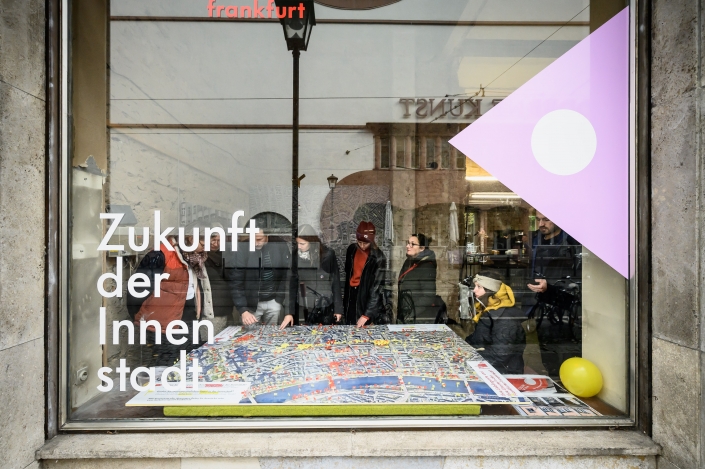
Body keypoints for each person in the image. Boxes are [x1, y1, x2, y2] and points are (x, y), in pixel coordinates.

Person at [129, 225, 214, 366]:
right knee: (166, 365)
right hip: (163, 324)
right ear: (190, 238)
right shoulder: (161, 254)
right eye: (203, 244)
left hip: (189, 318)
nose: (206, 248)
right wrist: (140, 317)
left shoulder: (195, 258)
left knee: (190, 362)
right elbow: (137, 290)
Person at [525, 210, 582, 377]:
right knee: (545, 352)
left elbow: (578, 280)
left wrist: (550, 287)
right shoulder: (535, 240)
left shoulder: (571, 243)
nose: (541, 224)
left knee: (563, 354)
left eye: (546, 219)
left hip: (562, 309)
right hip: (538, 305)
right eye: (538, 219)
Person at [279, 224, 343, 328]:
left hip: (325, 303)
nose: (299, 246)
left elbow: (335, 281)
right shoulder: (295, 255)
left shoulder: (327, 255)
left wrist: (338, 309)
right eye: (297, 243)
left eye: (302, 244)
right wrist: (289, 312)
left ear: (312, 242)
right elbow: (291, 284)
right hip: (304, 303)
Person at [465, 271, 526, 374]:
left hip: (503, 373)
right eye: (475, 286)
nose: (474, 290)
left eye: (479, 287)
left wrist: (469, 357)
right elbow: (479, 338)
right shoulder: (489, 309)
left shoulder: (505, 318)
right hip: (489, 365)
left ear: (490, 290)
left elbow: (500, 355)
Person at [229, 228, 290, 326]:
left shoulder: (279, 245)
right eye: (252, 239)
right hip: (250, 305)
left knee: (272, 333)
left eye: (259, 239)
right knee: (249, 334)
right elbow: (236, 280)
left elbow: (286, 274)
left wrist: (279, 299)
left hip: (273, 301)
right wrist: (243, 309)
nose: (255, 243)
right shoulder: (243, 247)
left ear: (267, 235)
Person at [343, 221, 390, 327]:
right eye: (359, 242)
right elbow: (348, 273)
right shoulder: (352, 250)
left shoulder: (378, 257)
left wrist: (367, 314)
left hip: (366, 296)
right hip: (351, 294)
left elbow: (377, 288)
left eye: (366, 243)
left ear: (372, 241)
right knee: (349, 326)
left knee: (363, 329)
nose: (362, 246)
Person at [397, 233, 437, 323]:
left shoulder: (426, 267)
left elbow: (429, 296)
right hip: (406, 314)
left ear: (422, 248)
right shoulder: (408, 262)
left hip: (418, 318)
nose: (408, 246)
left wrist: (411, 312)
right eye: (408, 243)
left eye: (413, 244)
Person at [204, 223, 235, 331]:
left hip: (227, 307)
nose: (216, 244)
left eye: (219, 240)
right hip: (211, 310)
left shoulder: (227, 254)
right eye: (213, 240)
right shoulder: (199, 257)